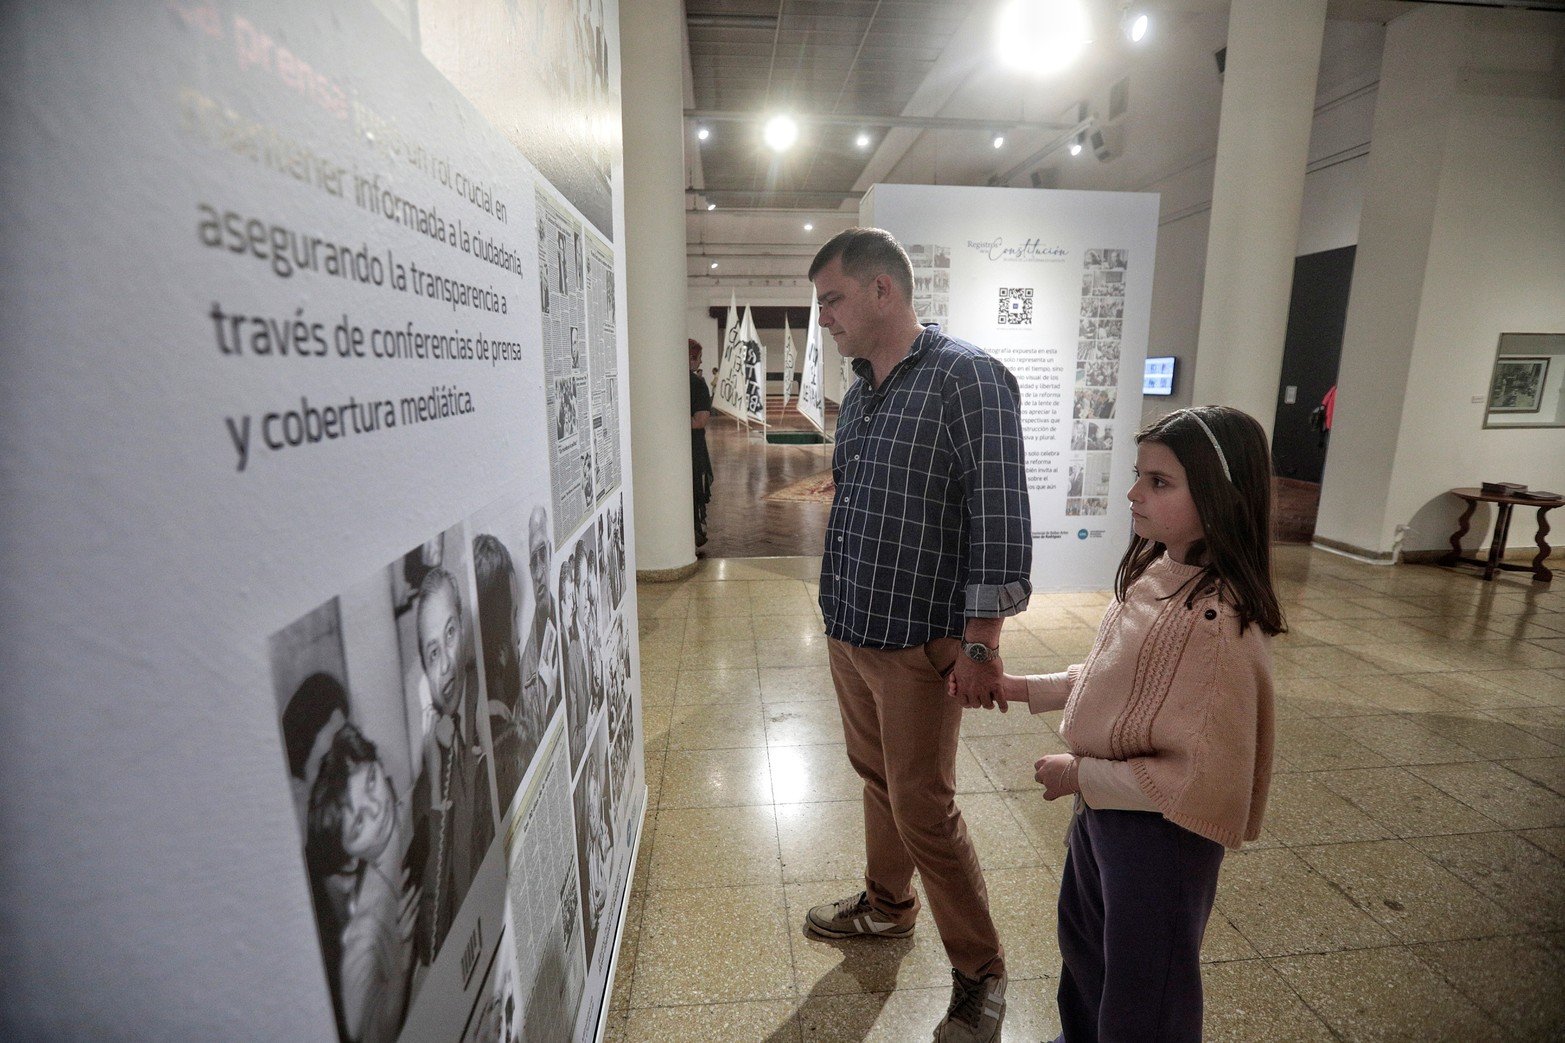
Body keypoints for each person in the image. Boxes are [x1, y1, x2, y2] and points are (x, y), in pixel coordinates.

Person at [966, 406, 1282, 1043]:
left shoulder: (1216, 622)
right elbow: (1119, 678)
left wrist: (1080, 773)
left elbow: (1197, 780)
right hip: (1108, 820)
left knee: (1148, 992)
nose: (1133, 493)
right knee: (1087, 955)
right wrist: (1025, 688)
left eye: (1160, 482)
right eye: (1139, 475)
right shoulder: (1165, 576)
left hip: (1159, 841)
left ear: (1219, 497)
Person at [804, 227, 1031, 1043]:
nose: (824, 317)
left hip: (919, 642)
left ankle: (980, 970)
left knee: (924, 807)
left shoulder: (967, 378)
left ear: (880, 292)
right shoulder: (863, 390)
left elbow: (999, 517)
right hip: (853, 626)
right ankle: (886, 907)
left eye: (831, 298)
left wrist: (981, 640)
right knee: (875, 778)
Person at [306, 723, 421, 1043]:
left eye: (370, 782)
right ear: (348, 859)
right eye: (358, 823)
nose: (375, 808)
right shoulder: (363, 940)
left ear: (379, 767)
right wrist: (400, 966)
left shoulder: (423, 795)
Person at [411, 567, 494, 965]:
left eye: (450, 633)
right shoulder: (430, 767)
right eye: (432, 653)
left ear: (464, 626)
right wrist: (432, 776)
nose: (445, 663)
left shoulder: (492, 705)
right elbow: (431, 932)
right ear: (425, 673)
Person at [689, 338, 713, 549]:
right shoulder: (696, 384)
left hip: (691, 447)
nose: (699, 363)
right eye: (699, 359)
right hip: (691, 448)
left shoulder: (696, 383)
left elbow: (699, 421)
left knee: (693, 490)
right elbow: (699, 421)